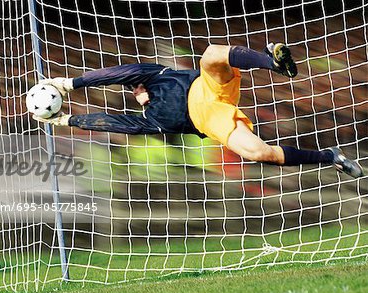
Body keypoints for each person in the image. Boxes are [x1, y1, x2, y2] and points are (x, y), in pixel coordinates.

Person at [33, 43, 363, 178]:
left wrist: (72, 83)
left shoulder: (154, 75)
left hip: (207, 87)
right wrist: (68, 119)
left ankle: (273, 63)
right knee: (259, 153)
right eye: (132, 90)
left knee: (210, 55)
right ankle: (330, 157)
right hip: (211, 120)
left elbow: (119, 72)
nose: (134, 88)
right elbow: (118, 124)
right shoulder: (152, 120)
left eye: (132, 83)